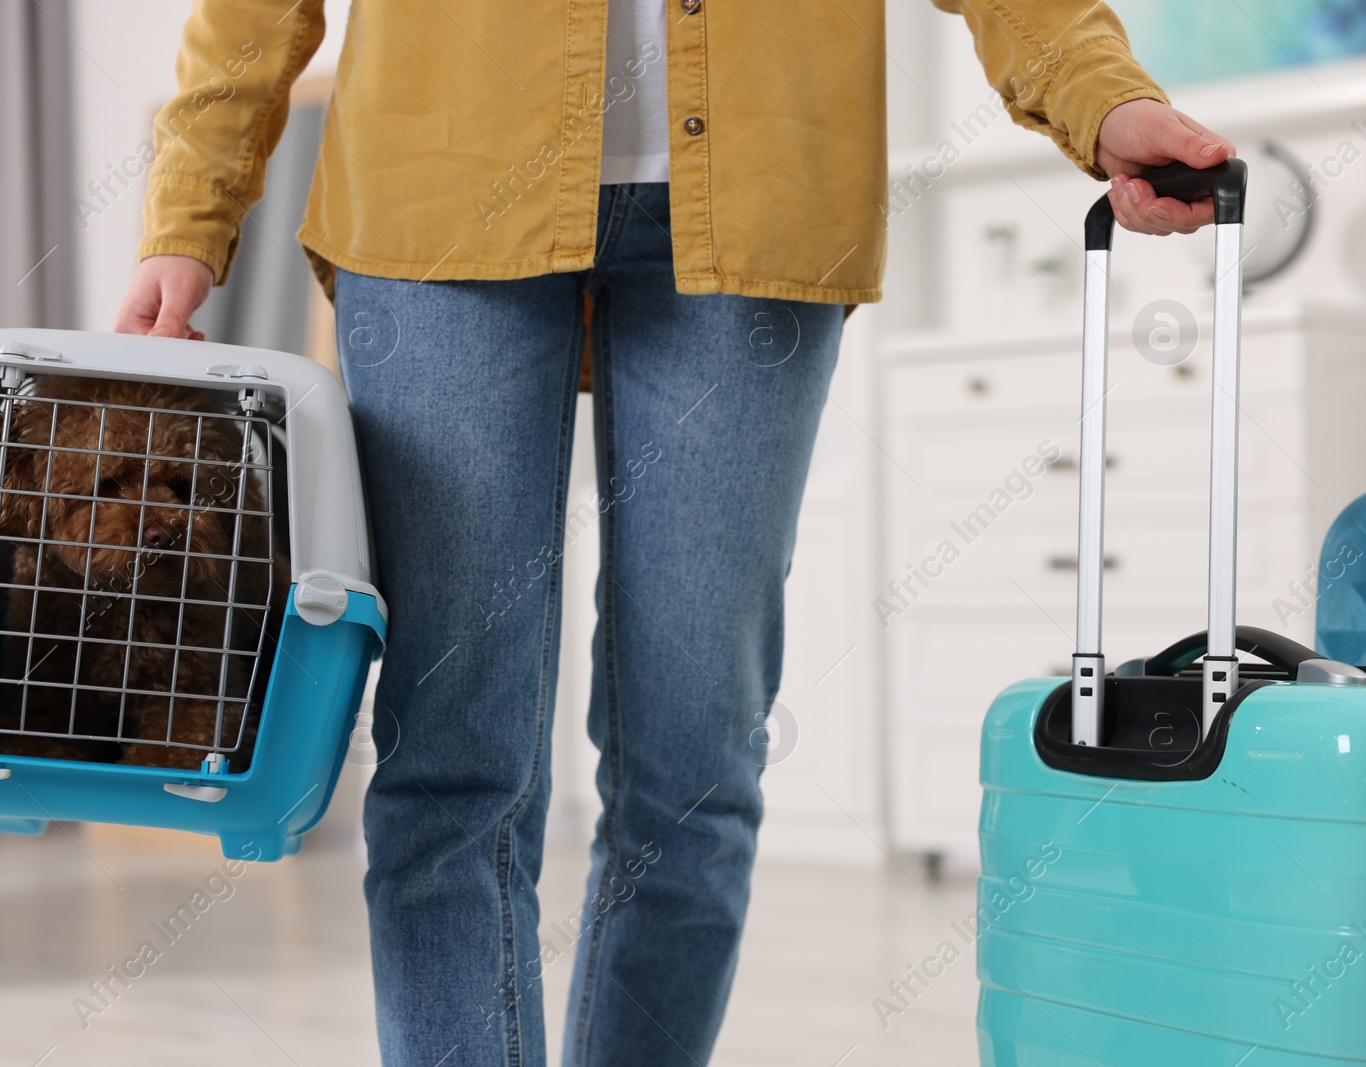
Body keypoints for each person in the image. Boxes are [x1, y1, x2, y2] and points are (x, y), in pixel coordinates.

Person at [116, 1, 1234, 1063]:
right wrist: (187, 217)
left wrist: (1101, 97)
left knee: (696, 767)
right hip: (440, 190)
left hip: (762, 186)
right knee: (453, 756)